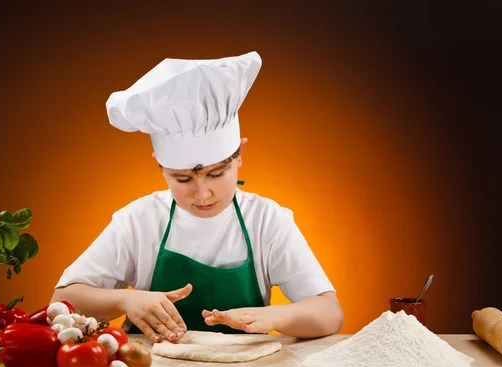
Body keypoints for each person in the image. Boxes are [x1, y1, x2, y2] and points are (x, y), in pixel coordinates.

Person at [50, 51, 344, 342]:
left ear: (239, 155)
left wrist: (276, 317)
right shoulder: (139, 220)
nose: (202, 193)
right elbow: (61, 301)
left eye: (216, 174)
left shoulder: (267, 221)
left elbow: (330, 312)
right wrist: (125, 301)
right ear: (160, 165)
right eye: (183, 179)